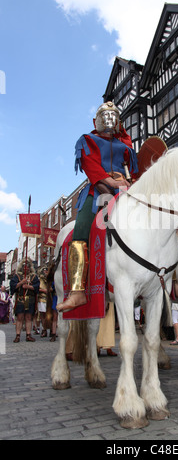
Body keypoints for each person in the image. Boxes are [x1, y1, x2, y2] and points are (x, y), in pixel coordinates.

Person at [56, 101, 138, 313]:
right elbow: (91, 167)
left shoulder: (125, 144)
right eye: (106, 117)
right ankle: (77, 291)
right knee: (81, 231)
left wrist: (129, 183)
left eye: (114, 117)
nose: (110, 121)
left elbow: (134, 168)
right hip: (96, 193)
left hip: (126, 191)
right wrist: (111, 182)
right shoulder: (87, 140)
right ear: (96, 121)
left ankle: (168, 281)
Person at [10, 258, 40, 342]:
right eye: (24, 266)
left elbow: (37, 287)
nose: (25, 268)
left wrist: (28, 287)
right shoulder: (17, 276)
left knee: (28, 317)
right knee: (20, 317)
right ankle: (18, 335)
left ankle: (28, 335)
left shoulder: (34, 277)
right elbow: (13, 286)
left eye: (27, 266)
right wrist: (21, 283)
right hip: (20, 299)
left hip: (30, 299)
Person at [37, 266, 48, 337]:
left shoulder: (50, 279)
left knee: (50, 315)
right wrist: (43, 290)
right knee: (43, 315)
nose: (45, 272)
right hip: (42, 298)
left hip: (50, 299)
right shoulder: (39, 279)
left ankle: (52, 330)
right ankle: (44, 329)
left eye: (46, 271)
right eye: (44, 271)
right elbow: (36, 288)